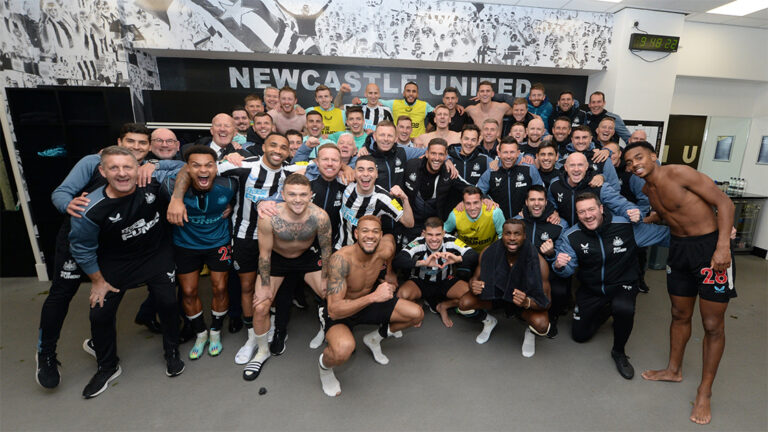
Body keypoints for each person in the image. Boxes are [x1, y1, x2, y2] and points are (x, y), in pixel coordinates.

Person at [36, 123, 184, 389]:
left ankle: (160, 339)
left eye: (142, 143)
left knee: (163, 292)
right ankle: (46, 353)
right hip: (80, 234)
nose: (136, 148)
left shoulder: (150, 169)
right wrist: (70, 205)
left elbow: (185, 169)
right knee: (63, 295)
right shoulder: (93, 163)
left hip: (123, 243)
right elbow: (60, 193)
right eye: (130, 141)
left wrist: (157, 168)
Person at [623, 141, 736, 425]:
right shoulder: (647, 189)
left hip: (710, 250)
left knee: (712, 325)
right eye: (629, 162)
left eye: (639, 157)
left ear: (652, 156)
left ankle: (705, 391)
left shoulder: (680, 173)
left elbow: (724, 202)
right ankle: (673, 370)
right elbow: (669, 212)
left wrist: (722, 246)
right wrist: (651, 217)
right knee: (679, 313)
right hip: (680, 250)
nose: (635, 164)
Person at [169, 133, 300, 367]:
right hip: (244, 237)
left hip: (276, 239)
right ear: (264, 147)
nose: (278, 150)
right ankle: (252, 336)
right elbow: (194, 170)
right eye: (273, 145)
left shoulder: (292, 172)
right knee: (248, 286)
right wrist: (177, 198)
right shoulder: (242, 166)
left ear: (289, 151)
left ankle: (273, 327)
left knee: (274, 286)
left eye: (284, 147)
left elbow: (326, 165)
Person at [69, 146, 184, 399]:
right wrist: (97, 281)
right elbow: (82, 248)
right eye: (114, 168)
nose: (122, 174)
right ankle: (107, 366)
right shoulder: (89, 208)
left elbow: (187, 168)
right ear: (102, 171)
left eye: (127, 167)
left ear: (137, 168)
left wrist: (155, 167)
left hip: (156, 254)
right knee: (99, 313)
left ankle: (172, 351)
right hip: (116, 262)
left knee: (167, 301)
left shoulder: (152, 183)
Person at [553, 192, 669, 379]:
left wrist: (711, 237)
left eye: (591, 209)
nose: (588, 215)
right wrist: (559, 265)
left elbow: (666, 236)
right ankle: (606, 309)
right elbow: (566, 271)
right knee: (580, 336)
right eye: (582, 212)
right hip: (592, 289)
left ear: (601, 208)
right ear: (577, 214)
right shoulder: (572, 236)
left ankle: (619, 352)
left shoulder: (625, 226)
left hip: (622, 284)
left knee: (624, 308)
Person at [317, 216, 424, 397]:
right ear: (356, 234)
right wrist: (374, 296)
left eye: (375, 232)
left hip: (369, 301)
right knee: (342, 350)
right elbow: (334, 309)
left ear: (380, 235)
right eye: (365, 231)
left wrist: (389, 273)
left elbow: (391, 245)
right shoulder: (340, 260)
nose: (370, 236)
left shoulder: (385, 247)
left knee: (416, 314)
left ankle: (374, 339)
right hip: (343, 311)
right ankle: (324, 369)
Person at [243, 174, 333, 380]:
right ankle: (262, 351)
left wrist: (327, 278)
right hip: (278, 259)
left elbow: (326, 250)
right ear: (282, 195)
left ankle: (331, 331)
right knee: (261, 306)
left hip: (306, 257)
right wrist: (265, 286)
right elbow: (264, 254)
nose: (298, 199)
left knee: (332, 293)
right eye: (292, 194)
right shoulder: (269, 217)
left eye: (303, 194)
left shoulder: (320, 216)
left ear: (311, 195)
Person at [162, 145, 237, 360]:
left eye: (208, 165)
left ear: (216, 167)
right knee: (188, 291)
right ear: (187, 169)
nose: (203, 170)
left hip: (218, 242)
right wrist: (177, 198)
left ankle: (215, 331)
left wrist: (231, 206)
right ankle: (200, 332)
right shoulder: (170, 187)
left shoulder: (229, 184)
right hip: (186, 245)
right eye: (196, 166)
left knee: (221, 287)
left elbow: (238, 200)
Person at [459, 219, 551, 357]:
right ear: (503, 235)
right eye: (508, 233)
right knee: (464, 304)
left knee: (542, 325)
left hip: (520, 303)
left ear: (524, 236)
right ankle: (489, 321)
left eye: (517, 234)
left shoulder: (539, 262)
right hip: (497, 296)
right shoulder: (489, 252)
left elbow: (546, 302)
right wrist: (473, 285)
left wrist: (527, 302)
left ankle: (530, 333)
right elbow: (475, 278)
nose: (512, 238)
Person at [394, 217, 478, 327]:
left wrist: (458, 259)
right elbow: (398, 260)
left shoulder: (451, 241)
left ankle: (444, 306)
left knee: (471, 296)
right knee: (402, 295)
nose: (434, 239)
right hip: (421, 282)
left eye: (438, 234)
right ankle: (417, 309)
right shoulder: (417, 243)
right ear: (424, 233)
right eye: (430, 234)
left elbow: (474, 255)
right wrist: (423, 263)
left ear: (444, 233)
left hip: (445, 281)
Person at [516, 185, 569, 337]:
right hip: (522, 272)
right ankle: (520, 311)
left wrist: (552, 253)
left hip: (547, 272)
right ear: (526, 202)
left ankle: (552, 316)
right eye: (532, 199)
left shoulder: (559, 224)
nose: (536, 203)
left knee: (560, 290)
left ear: (546, 202)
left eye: (540, 199)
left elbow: (564, 254)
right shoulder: (516, 221)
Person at [335, 155, 414, 248]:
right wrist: (345, 167)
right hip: (341, 247)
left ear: (376, 174)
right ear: (354, 173)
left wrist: (405, 199)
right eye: (360, 169)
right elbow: (329, 163)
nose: (365, 174)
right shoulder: (346, 183)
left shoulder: (384, 198)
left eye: (370, 170)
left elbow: (409, 223)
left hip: (366, 251)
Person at [401, 138, 469, 240]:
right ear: (427, 153)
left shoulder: (449, 172)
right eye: (433, 153)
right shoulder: (412, 165)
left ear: (446, 156)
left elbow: (469, 188)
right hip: (411, 223)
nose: (437, 158)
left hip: (435, 227)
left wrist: (483, 198)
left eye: (441, 154)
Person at [548, 152, 639, 227]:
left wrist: (633, 212)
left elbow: (621, 204)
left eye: (580, 165)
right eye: (572, 165)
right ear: (566, 168)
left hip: (595, 236)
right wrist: (553, 212)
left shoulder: (599, 186)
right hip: (568, 236)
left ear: (586, 167)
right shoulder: (555, 184)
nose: (576, 169)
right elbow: (550, 204)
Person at [477, 137, 544, 219]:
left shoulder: (529, 169)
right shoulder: (491, 172)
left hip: (525, 221)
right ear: (499, 153)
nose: (508, 156)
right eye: (505, 152)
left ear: (518, 153)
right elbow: (478, 191)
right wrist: (485, 199)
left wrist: (528, 210)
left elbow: (541, 193)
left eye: (512, 152)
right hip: (499, 223)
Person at [355, 81, 434, 138]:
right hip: (398, 142)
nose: (411, 94)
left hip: (418, 143)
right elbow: (373, 99)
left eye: (414, 91)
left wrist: (427, 131)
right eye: (408, 91)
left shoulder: (425, 105)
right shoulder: (394, 103)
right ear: (404, 93)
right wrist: (359, 101)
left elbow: (437, 116)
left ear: (417, 94)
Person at [444, 186, 505, 253]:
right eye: (468, 203)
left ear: (482, 201)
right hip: (465, 254)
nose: (472, 207)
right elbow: (443, 233)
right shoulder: (455, 215)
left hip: (490, 252)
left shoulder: (495, 212)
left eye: (476, 203)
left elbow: (503, 235)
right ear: (463, 203)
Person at [186, 113, 255, 161]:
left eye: (227, 126)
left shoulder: (244, 156)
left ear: (235, 133)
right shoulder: (188, 151)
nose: (222, 129)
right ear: (212, 130)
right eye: (218, 125)